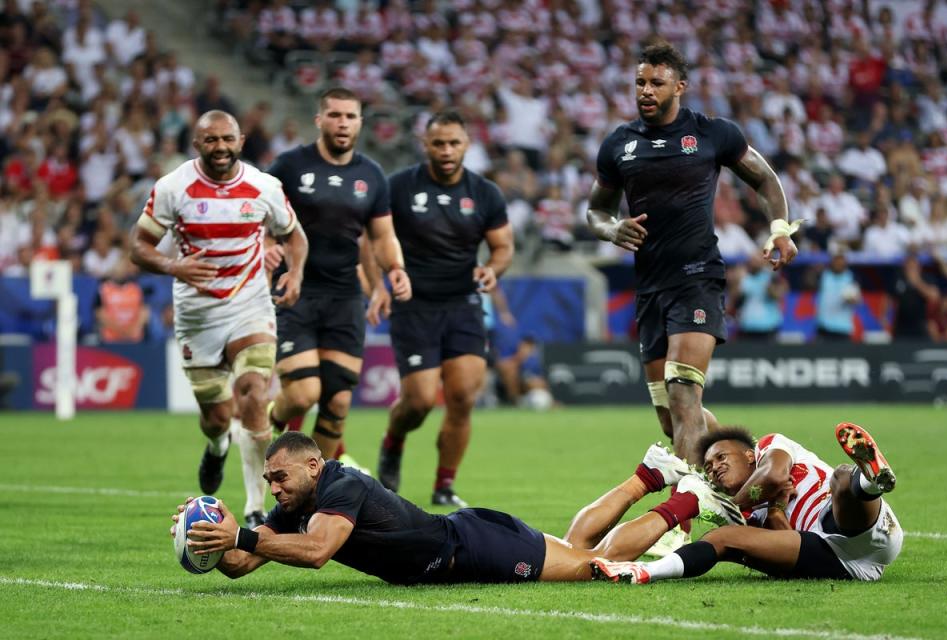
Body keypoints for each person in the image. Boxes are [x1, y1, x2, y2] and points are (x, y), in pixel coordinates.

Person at [585, 43, 799, 465]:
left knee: (684, 395)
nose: (645, 91)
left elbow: (765, 179)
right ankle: (753, 470)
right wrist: (612, 229)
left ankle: (682, 521)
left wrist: (779, 229)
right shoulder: (619, 144)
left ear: (680, 86)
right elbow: (596, 209)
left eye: (656, 83)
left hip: (698, 278)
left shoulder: (711, 133)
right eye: (640, 83)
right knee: (673, 418)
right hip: (650, 287)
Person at [171, 431, 741, 584]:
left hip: (470, 550)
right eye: (268, 480)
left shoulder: (340, 486)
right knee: (578, 548)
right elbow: (244, 562)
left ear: (313, 466)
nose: (273, 488)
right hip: (466, 542)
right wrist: (214, 538)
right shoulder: (293, 507)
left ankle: (688, 499)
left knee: (595, 565)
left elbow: (318, 553)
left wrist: (241, 536)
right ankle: (650, 474)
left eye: (279, 476)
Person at [131, 110, 308, 528]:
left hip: (250, 305)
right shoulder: (173, 187)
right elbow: (139, 246)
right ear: (197, 144)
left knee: (253, 394)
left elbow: (294, 235)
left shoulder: (264, 187)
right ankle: (216, 447)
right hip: (198, 315)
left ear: (241, 140)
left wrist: (296, 272)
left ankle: (254, 507)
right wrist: (175, 267)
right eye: (211, 140)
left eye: (227, 139)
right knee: (216, 417)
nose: (221, 147)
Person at [367, 110, 514, 507]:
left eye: (454, 143)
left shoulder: (484, 193)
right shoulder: (398, 187)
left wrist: (492, 269)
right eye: (439, 143)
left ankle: (444, 485)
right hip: (413, 304)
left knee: (464, 395)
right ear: (425, 145)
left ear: (467, 145)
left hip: (463, 303)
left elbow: (502, 247)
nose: (447, 151)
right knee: (417, 401)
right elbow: (372, 238)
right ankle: (393, 440)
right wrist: (379, 283)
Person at [265, 87, 412, 470]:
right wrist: (266, 246)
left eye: (350, 116)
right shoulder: (289, 167)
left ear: (360, 122)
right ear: (319, 120)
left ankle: (314, 492)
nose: (342, 123)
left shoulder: (371, 175)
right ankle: (268, 418)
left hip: (344, 295)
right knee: (302, 394)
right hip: (296, 290)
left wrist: (393, 272)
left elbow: (381, 236)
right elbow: (259, 217)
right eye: (335, 115)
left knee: (338, 401)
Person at [591, 422, 902, 583]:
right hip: (834, 557)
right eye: (710, 467)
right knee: (720, 538)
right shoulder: (747, 515)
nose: (714, 468)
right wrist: (776, 509)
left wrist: (736, 505)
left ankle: (870, 481)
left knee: (842, 479)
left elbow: (773, 478)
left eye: (721, 457)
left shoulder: (772, 446)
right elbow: (787, 539)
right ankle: (646, 572)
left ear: (749, 453)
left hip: (863, 524)